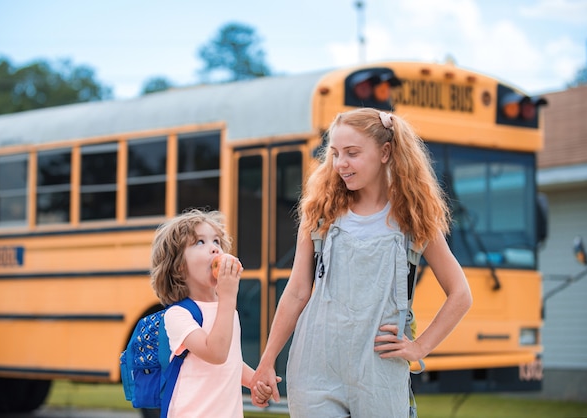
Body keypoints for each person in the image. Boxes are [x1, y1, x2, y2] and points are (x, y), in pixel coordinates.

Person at [249, 108, 473, 417]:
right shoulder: (319, 213)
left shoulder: (413, 219)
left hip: (379, 374)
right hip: (315, 370)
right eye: (336, 153)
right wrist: (267, 360)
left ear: (385, 152)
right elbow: (298, 291)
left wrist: (419, 347)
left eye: (352, 153)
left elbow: (460, 294)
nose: (341, 163)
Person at [150, 208, 275, 417]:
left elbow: (230, 359)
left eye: (217, 241)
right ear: (179, 266)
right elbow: (215, 353)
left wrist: (254, 381)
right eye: (200, 242)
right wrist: (228, 297)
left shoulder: (225, 308)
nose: (215, 249)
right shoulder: (178, 315)